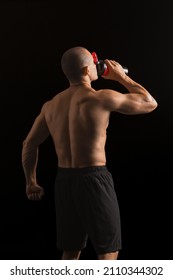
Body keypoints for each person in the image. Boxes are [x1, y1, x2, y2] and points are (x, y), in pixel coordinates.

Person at [21, 46, 158, 260]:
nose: (98, 66)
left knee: (71, 251)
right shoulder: (100, 98)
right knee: (108, 253)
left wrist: (31, 181)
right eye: (94, 64)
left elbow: (29, 144)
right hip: (94, 179)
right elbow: (150, 103)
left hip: (64, 181)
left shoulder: (50, 106)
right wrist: (122, 77)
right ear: (87, 70)